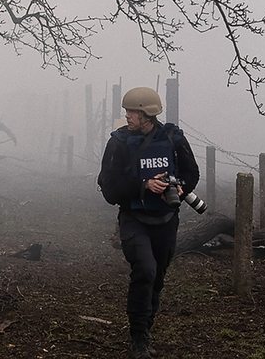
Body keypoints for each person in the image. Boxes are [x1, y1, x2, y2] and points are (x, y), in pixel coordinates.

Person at [97, 87, 200, 359]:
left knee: (158, 277)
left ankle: (146, 326)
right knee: (145, 270)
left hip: (166, 219)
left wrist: (180, 188)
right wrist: (143, 185)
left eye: (132, 111)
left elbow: (192, 173)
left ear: (147, 114)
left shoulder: (173, 138)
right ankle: (138, 337)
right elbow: (108, 188)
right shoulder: (118, 143)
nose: (127, 116)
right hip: (133, 218)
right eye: (127, 111)